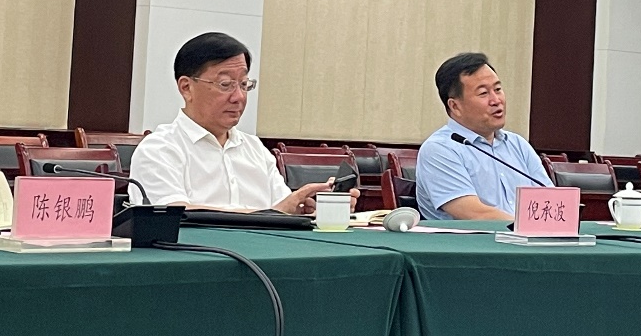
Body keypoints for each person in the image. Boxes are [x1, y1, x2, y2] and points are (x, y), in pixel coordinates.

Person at [129, 32, 358, 214]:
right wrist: (272, 214)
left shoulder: (254, 149)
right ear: (186, 88)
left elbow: (284, 210)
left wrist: (315, 206)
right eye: (225, 84)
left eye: (244, 84)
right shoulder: (159, 149)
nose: (238, 96)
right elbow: (174, 214)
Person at [415, 52, 552, 220]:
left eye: (498, 89)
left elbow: (550, 201)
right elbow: (473, 213)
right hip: (476, 237)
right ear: (455, 106)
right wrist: (527, 227)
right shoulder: (439, 149)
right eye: (483, 93)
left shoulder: (518, 144)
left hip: (527, 235)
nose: (496, 100)